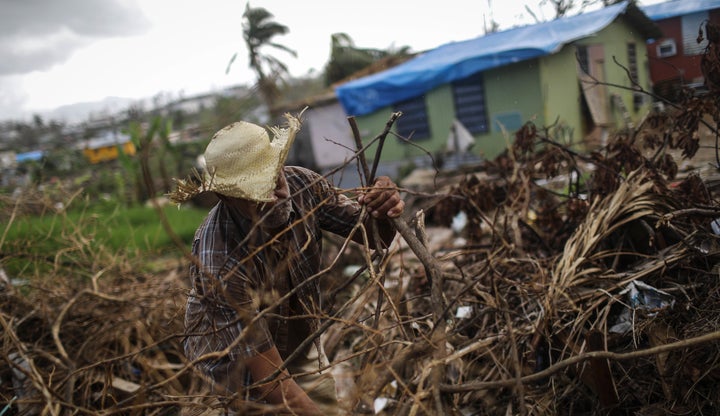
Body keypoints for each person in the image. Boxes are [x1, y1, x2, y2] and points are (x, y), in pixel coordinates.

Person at [169, 114, 405, 415]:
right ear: (225, 197)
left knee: (322, 403)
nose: (274, 198)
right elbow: (268, 380)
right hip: (237, 368)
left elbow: (377, 238)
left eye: (274, 179)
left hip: (298, 340)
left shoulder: (303, 185)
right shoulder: (218, 263)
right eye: (255, 194)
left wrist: (383, 209)